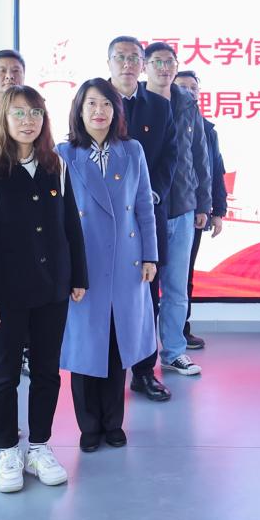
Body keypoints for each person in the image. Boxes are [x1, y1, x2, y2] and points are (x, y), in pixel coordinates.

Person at [0, 85, 85, 494]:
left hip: (52, 289)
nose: (28, 120)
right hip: (4, 296)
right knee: (3, 375)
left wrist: (78, 277)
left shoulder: (56, 166)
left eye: (35, 113)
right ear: (3, 118)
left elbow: (71, 226)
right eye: (18, 112)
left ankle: (39, 446)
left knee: (47, 372)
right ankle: (7, 450)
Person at [56, 78, 160, 452]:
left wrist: (150, 255)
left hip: (126, 261)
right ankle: (89, 426)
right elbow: (58, 215)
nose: (99, 111)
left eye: (106, 104)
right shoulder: (64, 153)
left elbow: (144, 206)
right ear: (79, 110)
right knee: (86, 345)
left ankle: (113, 422)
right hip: (83, 262)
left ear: (116, 110)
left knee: (118, 343)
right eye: (91, 104)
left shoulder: (131, 150)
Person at [106, 35, 175, 403]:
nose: (128, 64)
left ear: (143, 64)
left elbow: (169, 158)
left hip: (146, 216)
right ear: (109, 63)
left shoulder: (159, 106)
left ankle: (145, 372)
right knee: (106, 296)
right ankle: (107, 370)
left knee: (148, 295)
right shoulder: (95, 101)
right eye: (120, 57)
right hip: (103, 218)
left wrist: (152, 193)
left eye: (134, 57)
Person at [143, 42, 211, 377]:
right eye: (157, 62)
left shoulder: (187, 103)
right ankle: (141, 357)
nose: (164, 68)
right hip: (144, 211)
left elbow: (201, 156)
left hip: (183, 208)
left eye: (169, 61)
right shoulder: (136, 103)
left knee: (176, 288)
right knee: (142, 290)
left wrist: (204, 203)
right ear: (145, 66)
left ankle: (173, 352)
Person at [174, 68, 227, 351]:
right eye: (181, 86)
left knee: (184, 276)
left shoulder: (207, 129)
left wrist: (217, 209)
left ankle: (181, 331)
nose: (187, 92)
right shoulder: (160, 120)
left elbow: (215, 169)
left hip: (192, 211)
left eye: (192, 88)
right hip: (158, 211)